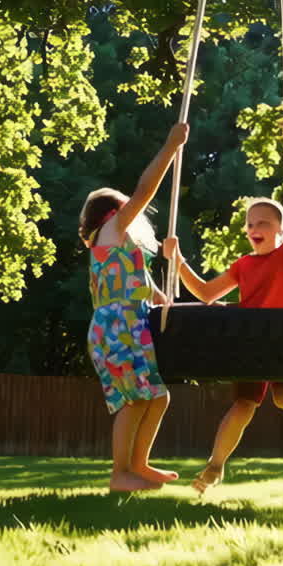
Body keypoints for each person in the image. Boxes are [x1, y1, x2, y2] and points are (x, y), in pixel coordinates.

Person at [163, 119, 283, 493]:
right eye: (250, 223)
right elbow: (204, 293)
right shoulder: (243, 265)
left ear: (282, 232)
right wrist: (178, 260)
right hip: (251, 342)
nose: (254, 228)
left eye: (263, 222)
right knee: (243, 406)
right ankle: (216, 466)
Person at [79, 123, 188, 492]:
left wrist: (160, 298)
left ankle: (137, 465)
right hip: (118, 326)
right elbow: (146, 189)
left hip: (126, 324)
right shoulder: (110, 231)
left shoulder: (116, 247)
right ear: (111, 213)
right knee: (134, 400)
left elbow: (138, 282)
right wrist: (170, 147)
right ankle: (119, 474)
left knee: (155, 397)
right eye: (126, 208)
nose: (135, 212)